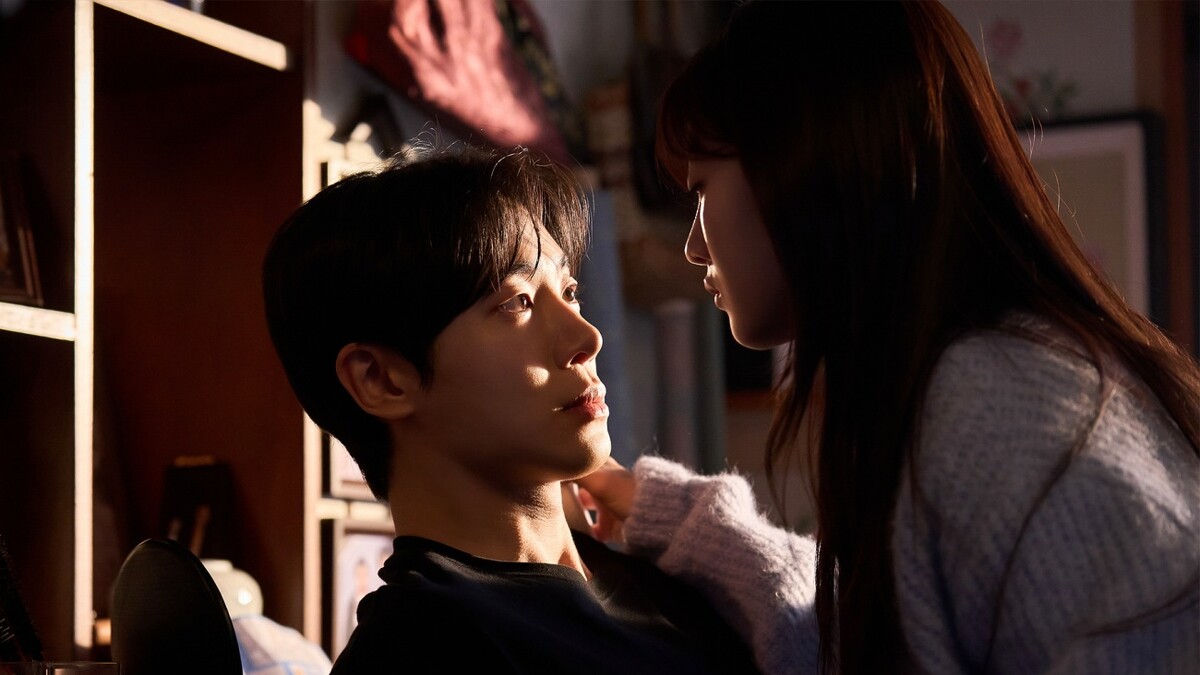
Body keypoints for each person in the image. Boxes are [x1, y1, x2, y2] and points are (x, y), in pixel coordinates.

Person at [575, 2, 1200, 674]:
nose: (695, 246)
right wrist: (676, 518)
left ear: (809, 164)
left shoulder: (998, 406)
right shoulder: (963, 385)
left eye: (703, 189)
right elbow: (865, 641)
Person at [261, 144, 758, 674]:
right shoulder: (420, 647)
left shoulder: (669, 578)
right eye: (516, 303)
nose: (587, 338)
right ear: (380, 379)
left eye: (569, 291)